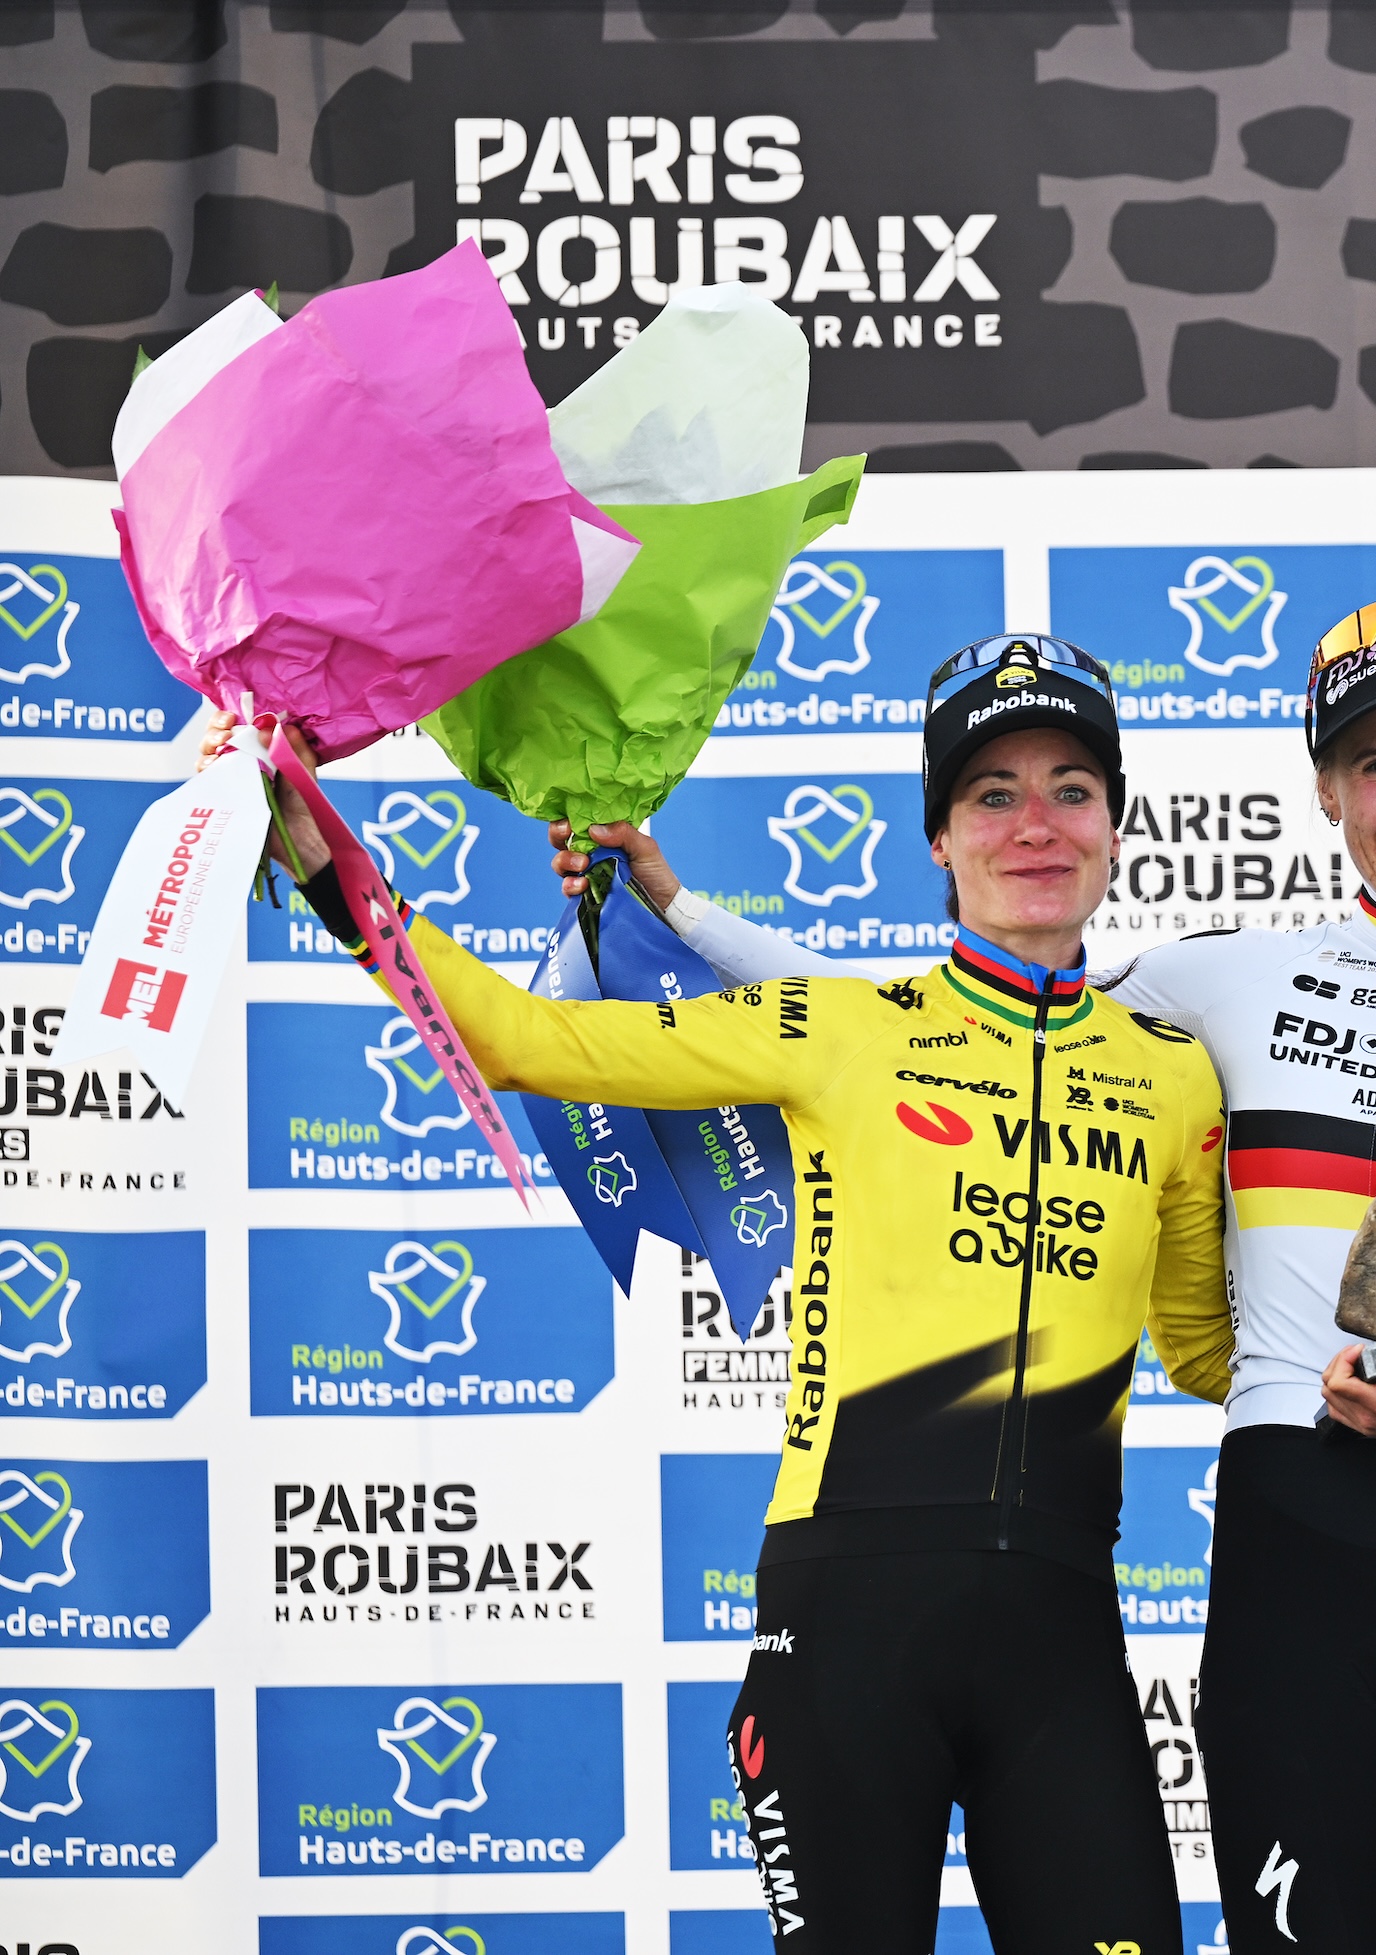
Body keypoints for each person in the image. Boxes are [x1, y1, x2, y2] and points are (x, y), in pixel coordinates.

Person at [573, 598, 1376, 1955]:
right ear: (1328, 785)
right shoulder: (1217, 982)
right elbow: (932, 1034)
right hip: (1298, 1552)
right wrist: (686, 908)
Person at [225, 636, 1230, 1955]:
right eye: (992, 793)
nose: (1035, 824)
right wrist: (321, 858)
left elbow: (1214, 1350)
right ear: (938, 838)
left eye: (1070, 788)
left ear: (1113, 825)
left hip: (1063, 1634)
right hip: (846, 1620)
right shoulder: (835, 1025)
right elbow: (528, 1041)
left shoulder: (1176, 1074)